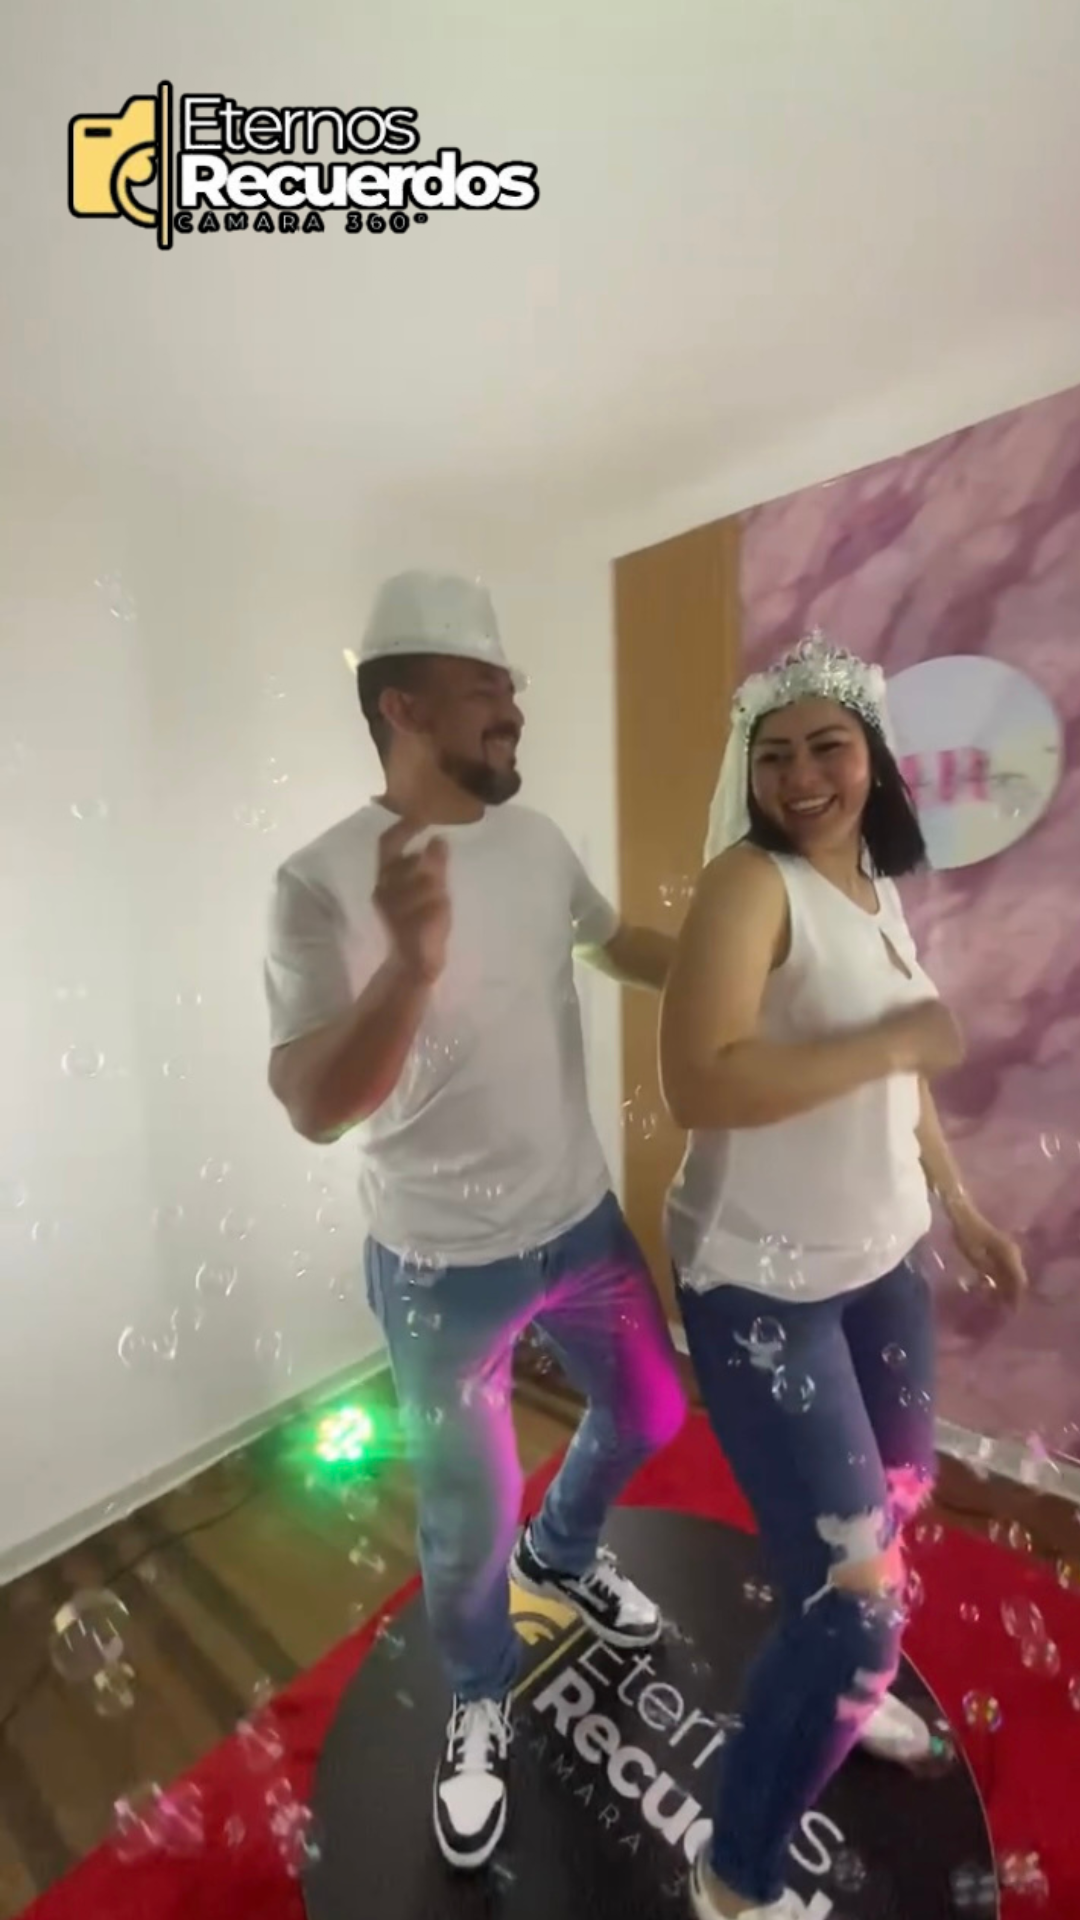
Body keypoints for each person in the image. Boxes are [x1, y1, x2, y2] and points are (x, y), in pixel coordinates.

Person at [263, 568, 686, 1872]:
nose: (516, 706)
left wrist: (740, 965)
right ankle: (478, 1697)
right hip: (438, 1267)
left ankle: (564, 1555)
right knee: (466, 1522)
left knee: (652, 1410)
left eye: (512, 686)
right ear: (402, 705)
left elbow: (613, 944)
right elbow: (313, 1104)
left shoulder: (539, 840)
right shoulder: (319, 881)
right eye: (487, 687)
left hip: (579, 1223)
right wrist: (409, 966)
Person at [658, 632, 1028, 1920]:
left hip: (882, 1269)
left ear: (874, 759)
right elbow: (700, 1080)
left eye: (828, 747)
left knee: (893, 1514)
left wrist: (960, 1205)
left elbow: (904, 1073)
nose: (803, 776)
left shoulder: (875, 889)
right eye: (775, 755)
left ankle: (839, 1699)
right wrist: (884, 1041)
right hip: (763, 1290)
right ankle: (734, 1877)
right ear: (749, 773)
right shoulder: (749, 887)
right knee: (857, 1608)